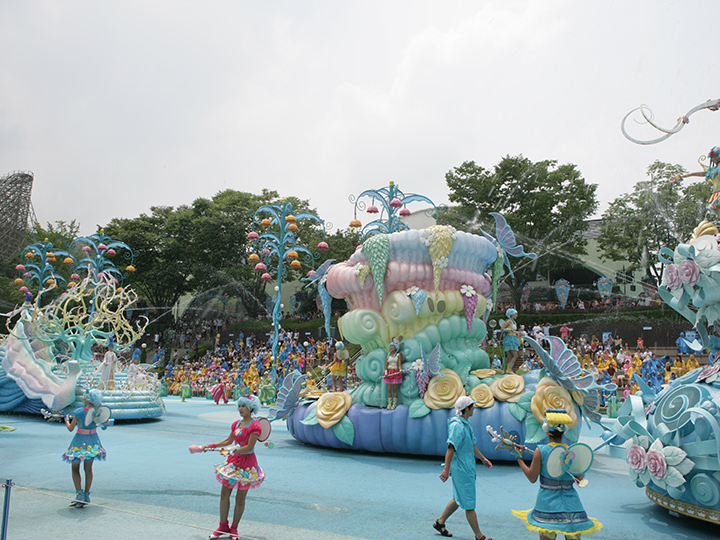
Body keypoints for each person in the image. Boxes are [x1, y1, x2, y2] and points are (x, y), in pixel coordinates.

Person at [512, 409, 601, 539]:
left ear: (546, 430)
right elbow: (579, 479)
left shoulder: (540, 450)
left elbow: (532, 478)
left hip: (547, 504)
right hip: (572, 505)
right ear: (564, 431)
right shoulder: (571, 451)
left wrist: (519, 458)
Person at [202, 394, 265, 540]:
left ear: (251, 408)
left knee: (240, 499)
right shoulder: (236, 424)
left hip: (247, 465)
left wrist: (233, 449)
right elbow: (228, 440)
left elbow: (249, 447)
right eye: (239, 406)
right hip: (233, 462)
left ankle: (234, 529)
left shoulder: (255, 425)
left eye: (244, 406)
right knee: (224, 494)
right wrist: (210, 446)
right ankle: (222, 526)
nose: (241, 409)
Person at [434, 396, 495, 540]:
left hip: (467, 468)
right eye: (472, 406)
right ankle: (479, 536)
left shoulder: (466, 424)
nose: (474, 408)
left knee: (458, 498)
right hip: (461, 469)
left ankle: (440, 522)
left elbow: (471, 445)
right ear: (466, 409)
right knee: (469, 504)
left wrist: (483, 458)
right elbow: (451, 448)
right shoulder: (457, 426)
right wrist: (446, 469)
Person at [62, 389, 108, 507]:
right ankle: (86, 495)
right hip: (92, 442)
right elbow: (103, 425)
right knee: (88, 470)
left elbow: (70, 428)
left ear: (85, 399)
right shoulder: (98, 413)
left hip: (79, 441)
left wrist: (67, 420)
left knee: (75, 468)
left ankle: (79, 495)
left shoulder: (79, 412)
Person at [672, 146, 720, 215]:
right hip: (717, 194)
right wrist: (683, 176)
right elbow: (699, 173)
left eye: (716, 156)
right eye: (712, 157)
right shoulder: (712, 170)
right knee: (717, 207)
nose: (714, 158)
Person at [383, 340, 404, 409]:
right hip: (389, 372)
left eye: (393, 346)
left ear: (396, 347)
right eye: (390, 346)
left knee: (394, 389)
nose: (391, 347)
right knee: (389, 389)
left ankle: (394, 404)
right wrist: (386, 373)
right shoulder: (388, 355)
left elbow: (399, 365)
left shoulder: (398, 355)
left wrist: (400, 370)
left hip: (395, 372)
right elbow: (386, 365)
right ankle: (389, 403)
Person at [500, 308, 520, 373]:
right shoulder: (508, 321)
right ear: (512, 314)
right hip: (510, 339)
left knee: (509, 356)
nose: (516, 315)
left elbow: (513, 330)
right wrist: (508, 329)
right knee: (515, 355)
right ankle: (509, 369)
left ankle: (504, 369)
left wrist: (517, 332)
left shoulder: (514, 322)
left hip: (514, 338)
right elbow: (502, 328)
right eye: (515, 313)